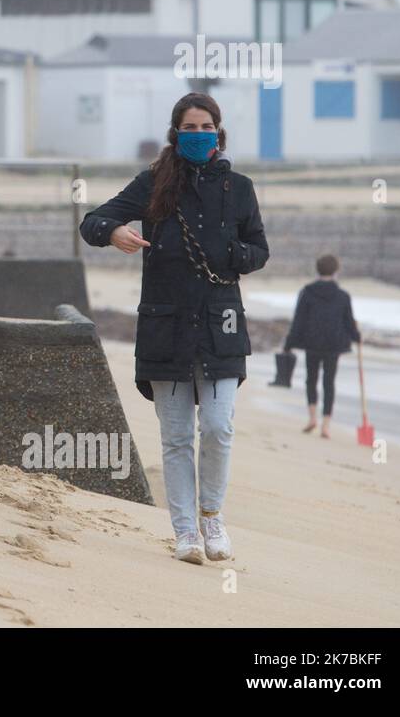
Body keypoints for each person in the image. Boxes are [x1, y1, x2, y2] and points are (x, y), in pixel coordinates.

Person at [80, 92, 268, 564]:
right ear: (176, 133)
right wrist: (114, 232)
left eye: (207, 128)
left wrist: (233, 257)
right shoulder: (153, 184)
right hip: (165, 326)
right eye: (190, 128)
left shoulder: (240, 188)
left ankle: (212, 518)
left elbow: (259, 249)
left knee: (220, 428)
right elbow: (92, 221)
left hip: (221, 324)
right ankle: (185, 533)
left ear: (219, 134)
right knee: (177, 436)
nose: (199, 135)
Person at [285, 254, 361, 438]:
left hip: (312, 342)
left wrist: (289, 344)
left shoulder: (307, 292)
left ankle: (312, 418)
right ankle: (326, 425)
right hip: (333, 344)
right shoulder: (343, 296)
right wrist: (357, 337)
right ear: (336, 271)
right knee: (329, 383)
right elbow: (348, 322)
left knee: (311, 380)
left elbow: (298, 320)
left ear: (317, 270)